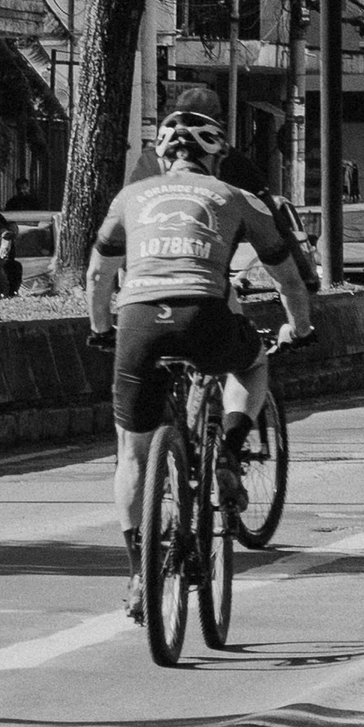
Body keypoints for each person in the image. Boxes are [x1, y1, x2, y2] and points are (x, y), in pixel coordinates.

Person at [90, 87, 316, 619]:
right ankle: (230, 449)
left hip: (138, 318)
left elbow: (99, 274)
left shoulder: (131, 194)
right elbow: (288, 277)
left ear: (164, 153)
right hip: (205, 310)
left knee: (131, 452)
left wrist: (102, 329)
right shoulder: (236, 194)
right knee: (251, 360)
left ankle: (139, 574)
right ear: (216, 152)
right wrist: (300, 327)